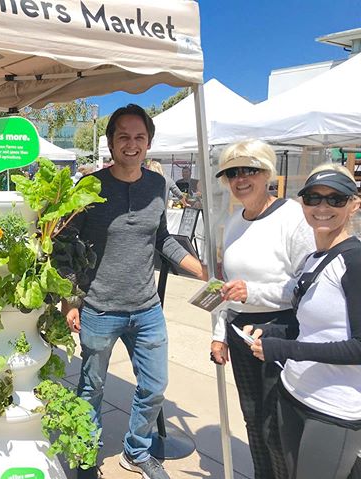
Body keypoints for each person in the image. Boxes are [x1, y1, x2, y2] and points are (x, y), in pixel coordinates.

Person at [63, 104, 205, 479]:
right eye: (123, 136)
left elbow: (163, 240)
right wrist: (69, 300)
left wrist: (202, 270)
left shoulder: (156, 185)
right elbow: (64, 245)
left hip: (146, 310)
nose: (131, 144)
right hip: (99, 309)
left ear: (148, 142)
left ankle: (137, 451)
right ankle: (84, 454)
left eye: (139, 137)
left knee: (155, 387)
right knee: (91, 388)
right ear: (111, 142)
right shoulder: (89, 187)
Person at [247, 164, 361, 479]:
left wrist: (284, 349)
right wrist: (268, 332)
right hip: (293, 393)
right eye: (313, 198)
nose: (322, 207)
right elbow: (311, 328)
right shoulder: (314, 258)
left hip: (333, 409)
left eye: (335, 198)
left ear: (354, 203)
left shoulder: (355, 261)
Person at [210, 139, 315, 479]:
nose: (241, 179)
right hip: (239, 331)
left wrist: (253, 291)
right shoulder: (235, 221)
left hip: (278, 332)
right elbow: (228, 288)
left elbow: (307, 285)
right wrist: (218, 335)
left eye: (250, 170)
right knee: (252, 419)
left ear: (267, 173)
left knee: (276, 424)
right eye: (233, 172)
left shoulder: (292, 218)